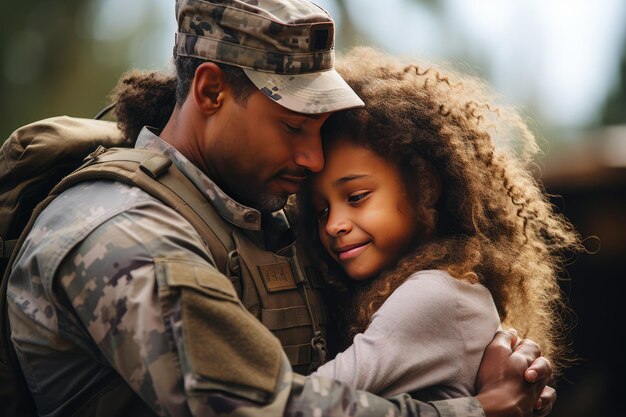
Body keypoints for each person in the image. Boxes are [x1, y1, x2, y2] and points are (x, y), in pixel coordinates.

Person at [6, 1, 555, 416]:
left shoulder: (263, 214)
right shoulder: (119, 231)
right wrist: (476, 410)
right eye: (293, 126)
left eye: (320, 130)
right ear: (211, 91)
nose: (312, 156)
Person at [296, 46, 582, 401]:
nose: (334, 225)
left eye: (357, 197)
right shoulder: (418, 287)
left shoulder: (432, 296)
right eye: (321, 210)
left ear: (426, 185)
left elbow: (306, 403)